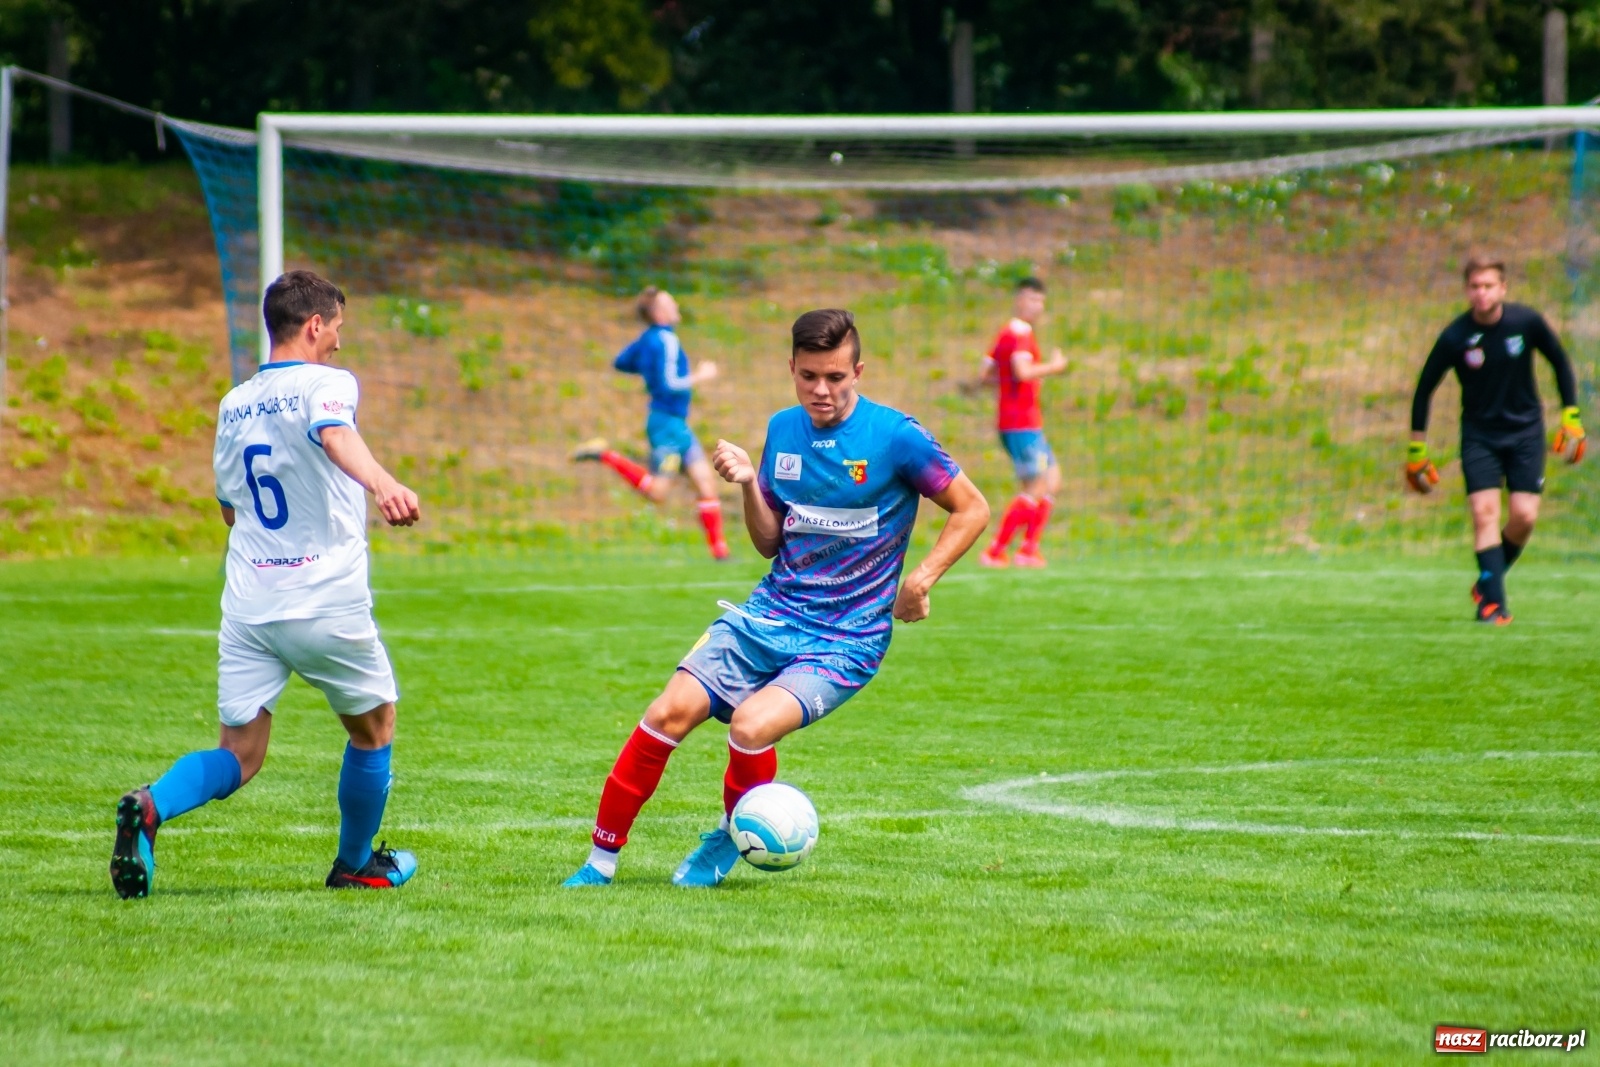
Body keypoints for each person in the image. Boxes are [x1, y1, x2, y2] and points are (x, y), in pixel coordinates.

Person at [563, 308, 990, 888]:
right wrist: (746, 483)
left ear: (858, 371)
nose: (822, 390)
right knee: (667, 713)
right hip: (770, 614)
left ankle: (725, 837)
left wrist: (922, 579)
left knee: (750, 725)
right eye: (809, 376)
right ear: (791, 368)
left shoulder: (896, 437)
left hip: (848, 636)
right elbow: (768, 541)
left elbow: (973, 508)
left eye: (836, 377)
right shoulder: (783, 430)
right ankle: (599, 864)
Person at [109, 270, 423, 898]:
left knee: (241, 752)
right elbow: (334, 434)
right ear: (314, 325)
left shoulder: (235, 401)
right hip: (322, 596)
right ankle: (356, 864)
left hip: (250, 603)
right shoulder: (328, 383)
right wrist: (383, 484)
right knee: (375, 727)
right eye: (336, 328)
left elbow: (229, 507)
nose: (338, 341)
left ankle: (150, 806)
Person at [1407, 255, 1584, 625]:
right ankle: (1493, 605)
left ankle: (1488, 579)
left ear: (1503, 288)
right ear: (1467, 290)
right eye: (1474, 286)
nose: (1481, 293)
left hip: (1525, 433)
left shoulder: (1526, 322)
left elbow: (1560, 363)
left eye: (1488, 285)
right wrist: (1416, 450)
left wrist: (1572, 418)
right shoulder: (1455, 336)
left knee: (1524, 516)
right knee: (1483, 513)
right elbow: (1424, 390)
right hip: (1479, 436)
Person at [573, 287, 729, 560]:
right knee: (658, 493)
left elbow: (621, 362)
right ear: (658, 313)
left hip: (677, 425)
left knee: (706, 484)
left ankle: (721, 554)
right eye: (670, 302)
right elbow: (670, 384)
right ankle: (606, 455)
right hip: (666, 425)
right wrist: (701, 376)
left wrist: (648, 367)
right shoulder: (666, 340)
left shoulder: (649, 339)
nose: (676, 304)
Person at [977, 277, 1069, 567]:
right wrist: (1053, 368)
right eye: (1030, 299)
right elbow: (1022, 370)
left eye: (1040, 300)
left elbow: (985, 374)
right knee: (1036, 486)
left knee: (1052, 480)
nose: (1036, 306)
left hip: (1023, 422)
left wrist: (1004, 383)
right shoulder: (1020, 333)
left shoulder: (1006, 333)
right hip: (1021, 423)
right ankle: (995, 551)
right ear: (1018, 300)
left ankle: (1028, 550)